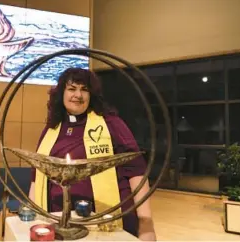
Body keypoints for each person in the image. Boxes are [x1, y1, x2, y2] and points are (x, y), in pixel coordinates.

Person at [29, 68, 156, 241]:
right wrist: (34, 216)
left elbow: (136, 170)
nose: (78, 95)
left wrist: (146, 223)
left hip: (106, 218)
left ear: (92, 95)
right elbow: (37, 173)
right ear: (62, 93)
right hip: (58, 220)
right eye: (72, 89)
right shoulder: (52, 128)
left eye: (84, 89)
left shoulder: (111, 123)